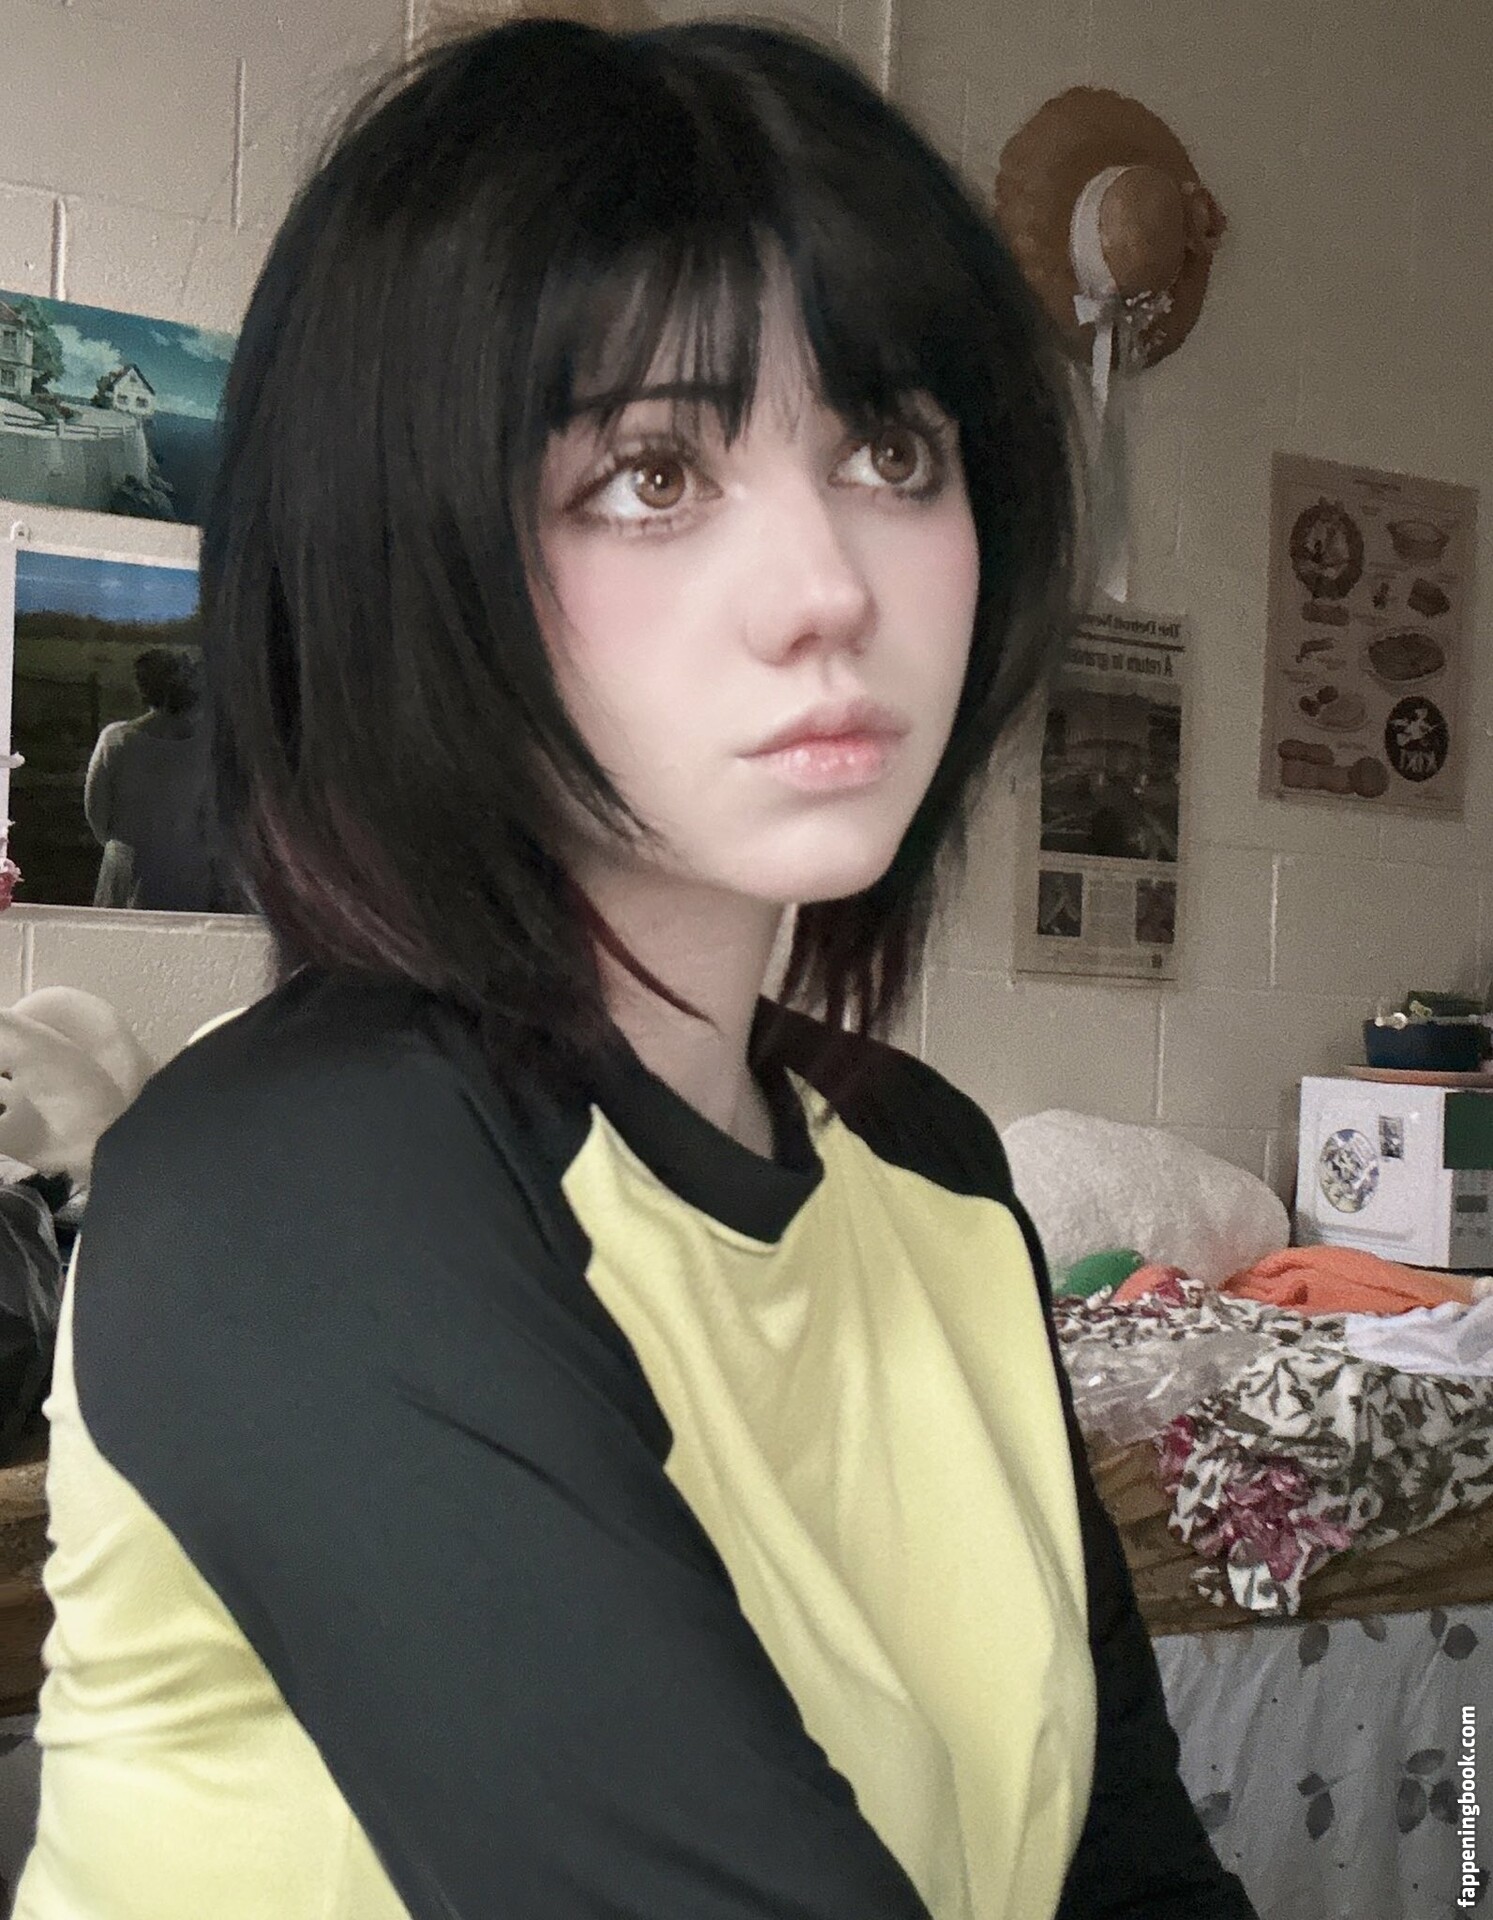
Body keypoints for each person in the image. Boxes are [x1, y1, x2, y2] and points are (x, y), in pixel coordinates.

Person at [15, 18, 1257, 1920]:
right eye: (651, 476)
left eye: (888, 450)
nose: (829, 586)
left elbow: (1132, 1877)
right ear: (406, 550)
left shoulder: (929, 1167)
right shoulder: (297, 1184)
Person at [82, 647, 225, 911]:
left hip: (129, 868)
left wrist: (129, 845)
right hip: (186, 872)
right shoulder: (209, 747)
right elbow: (215, 819)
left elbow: (97, 814)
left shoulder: (117, 740)